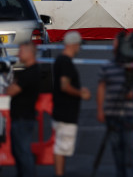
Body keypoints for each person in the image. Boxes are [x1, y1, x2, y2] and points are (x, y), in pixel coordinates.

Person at [96, 32, 133, 177]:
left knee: (129, 150)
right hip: (111, 114)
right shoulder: (107, 66)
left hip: (128, 114)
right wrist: (100, 110)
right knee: (117, 151)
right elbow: (101, 88)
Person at [52, 32, 92, 177]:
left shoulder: (60, 61)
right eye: (79, 45)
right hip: (66, 113)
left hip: (61, 111)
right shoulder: (66, 63)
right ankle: (59, 173)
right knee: (62, 148)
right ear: (73, 45)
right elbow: (64, 85)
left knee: (62, 147)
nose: (79, 48)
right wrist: (81, 93)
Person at [7, 42, 41, 177]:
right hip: (21, 117)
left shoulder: (29, 73)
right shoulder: (30, 71)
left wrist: (12, 85)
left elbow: (11, 91)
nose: (18, 54)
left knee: (23, 152)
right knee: (19, 151)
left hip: (22, 118)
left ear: (29, 53)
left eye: (21, 51)